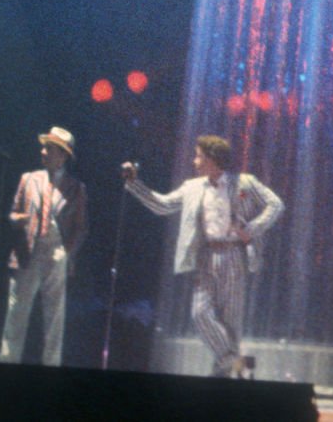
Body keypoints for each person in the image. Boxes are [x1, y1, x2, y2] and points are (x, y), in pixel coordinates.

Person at [122, 134, 284, 378]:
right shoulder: (193, 187)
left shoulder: (244, 183)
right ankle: (235, 361)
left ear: (212, 159)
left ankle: (224, 380)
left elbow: (276, 204)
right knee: (200, 314)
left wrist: (251, 228)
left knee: (230, 325)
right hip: (207, 256)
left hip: (234, 256)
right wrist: (136, 184)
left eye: (199, 156)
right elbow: (162, 205)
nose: (194, 161)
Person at [0, 125, 88, 366]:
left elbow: (81, 228)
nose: (44, 151)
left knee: (54, 318)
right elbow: (12, 214)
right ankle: (6, 367)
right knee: (16, 313)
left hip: (56, 253)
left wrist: (67, 252)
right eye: (44, 147)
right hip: (28, 250)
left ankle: (50, 371)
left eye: (50, 148)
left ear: (62, 155)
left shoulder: (75, 188)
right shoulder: (28, 179)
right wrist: (18, 220)